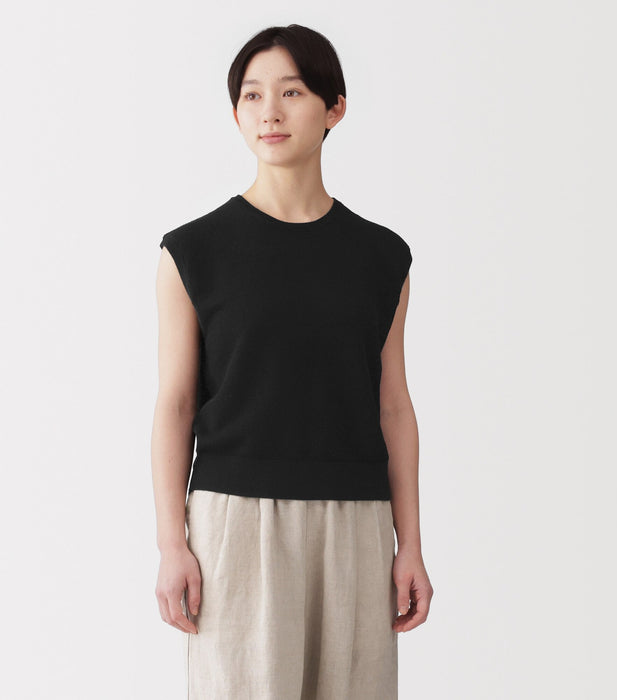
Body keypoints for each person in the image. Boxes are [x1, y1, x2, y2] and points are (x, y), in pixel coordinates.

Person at [151, 23, 433, 700]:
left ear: (335, 108)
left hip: (357, 522)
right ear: (236, 114)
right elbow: (176, 405)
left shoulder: (382, 258)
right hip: (234, 522)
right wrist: (171, 544)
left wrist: (411, 545)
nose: (269, 112)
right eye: (251, 96)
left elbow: (393, 405)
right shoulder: (193, 252)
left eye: (292, 92)